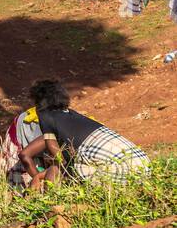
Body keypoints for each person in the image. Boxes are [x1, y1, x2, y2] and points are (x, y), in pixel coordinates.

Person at [20, 79, 148, 191]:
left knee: (59, 167)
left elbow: (59, 159)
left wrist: (38, 176)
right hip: (143, 165)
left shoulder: (45, 115)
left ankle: (49, 204)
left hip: (121, 170)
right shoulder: (72, 114)